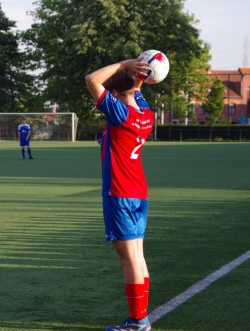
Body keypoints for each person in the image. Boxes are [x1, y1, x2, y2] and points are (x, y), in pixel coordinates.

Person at [85, 58, 154, 331]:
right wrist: (137, 78)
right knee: (137, 254)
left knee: (129, 258)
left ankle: (138, 321)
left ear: (113, 95)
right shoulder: (145, 115)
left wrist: (125, 64)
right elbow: (137, 93)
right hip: (138, 192)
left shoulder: (119, 113)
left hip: (120, 192)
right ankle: (141, 317)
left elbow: (92, 79)